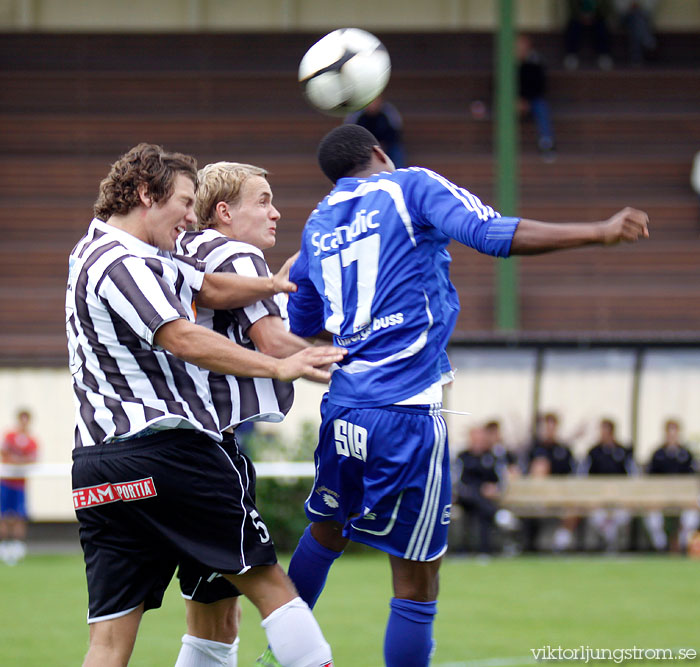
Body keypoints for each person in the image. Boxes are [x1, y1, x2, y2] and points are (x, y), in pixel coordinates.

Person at [276, 124, 648, 666]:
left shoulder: (317, 223)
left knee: (327, 531)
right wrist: (600, 230)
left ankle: (279, 654)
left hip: (344, 406)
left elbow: (304, 323)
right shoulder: (409, 185)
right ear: (380, 153)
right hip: (405, 410)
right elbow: (490, 233)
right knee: (416, 581)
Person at [66, 143, 343, 667]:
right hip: (169, 453)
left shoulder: (111, 253)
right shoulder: (119, 260)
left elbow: (209, 286)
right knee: (271, 588)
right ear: (147, 195)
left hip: (100, 470)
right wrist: (277, 365)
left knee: (110, 643)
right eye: (185, 203)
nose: (192, 219)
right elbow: (181, 336)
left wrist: (272, 283)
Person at [175, 161, 316, 666]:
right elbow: (274, 342)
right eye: (263, 200)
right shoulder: (237, 252)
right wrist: (352, 361)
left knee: (212, 619)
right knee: (272, 587)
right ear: (224, 211)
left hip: (158, 445)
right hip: (205, 449)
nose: (276, 212)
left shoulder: (181, 249)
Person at [453, 425, 518, 554]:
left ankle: (482, 550)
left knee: (482, 510)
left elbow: (500, 480)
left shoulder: (492, 457)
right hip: (465, 495)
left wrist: (494, 489)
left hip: (484, 498)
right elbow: (456, 480)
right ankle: (497, 515)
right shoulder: (463, 456)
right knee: (476, 498)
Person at [523, 412, 579, 552]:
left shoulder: (564, 450)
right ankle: (529, 546)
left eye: (552, 426)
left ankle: (560, 545)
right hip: (536, 496)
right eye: (546, 426)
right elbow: (525, 474)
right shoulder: (534, 449)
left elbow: (572, 475)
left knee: (573, 509)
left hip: (560, 495)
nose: (549, 430)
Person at [580, 418, 637, 551]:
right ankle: (603, 547)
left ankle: (615, 547)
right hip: (597, 499)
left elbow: (634, 477)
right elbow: (582, 477)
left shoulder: (623, 451)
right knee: (597, 517)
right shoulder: (593, 452)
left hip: (620, 499)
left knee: (621, 517)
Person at [644, 419, 700, 552]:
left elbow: (693, 478)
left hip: (684, 498)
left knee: (691, 516)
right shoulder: (658, 454)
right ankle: (662, 547)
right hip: (660, 497)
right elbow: (650, 479)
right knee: (653, 518)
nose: (672, 435)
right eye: (670, 432)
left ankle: (681, 545)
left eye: (675, 432)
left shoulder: (686, 454)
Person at [0, 409, 39, 565]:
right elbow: (4, 454)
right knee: (3, 515)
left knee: (19, 515)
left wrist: (18, 461)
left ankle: (18, 546)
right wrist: (16, 460)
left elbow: (32, 460)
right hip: (5, 482)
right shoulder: (10, 437)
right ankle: (4, 545)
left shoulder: (32, 441)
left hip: (20, 484)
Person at [516, 34, 556, 160]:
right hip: (512, 101)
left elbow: (539, 86)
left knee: (541, 107)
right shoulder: (506, 63)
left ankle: (546, 144)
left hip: (532, 100)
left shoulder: (536, 62)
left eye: (523, 46)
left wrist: (525, 99)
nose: (520, 49)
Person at [345, 96, 405, 168]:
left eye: (375, 102)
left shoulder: (388, 112)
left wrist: (383, 144)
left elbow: (395, 132)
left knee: (396, 151)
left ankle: (397, 172)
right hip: (364, 147)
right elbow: (352, 134)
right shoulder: (357, 114)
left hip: (386, 145)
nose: (373, 105)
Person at [563, 0, 614, 71]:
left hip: (597, 18)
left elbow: (606, 7)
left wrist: (594, 15)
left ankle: (604, 55)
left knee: (602, 28)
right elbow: (572, 6)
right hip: (578, 18)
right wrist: (581, 15)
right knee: (572, 27)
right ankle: (571, 55)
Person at [613, 0, 658, 65]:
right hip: (625, 17)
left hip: (641, 16)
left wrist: (639, 7)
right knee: (636, 19)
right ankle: (646, 38)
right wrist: (630, 7)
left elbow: (651, 6)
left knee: (636, 20)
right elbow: (618, 7)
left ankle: (636, 59)